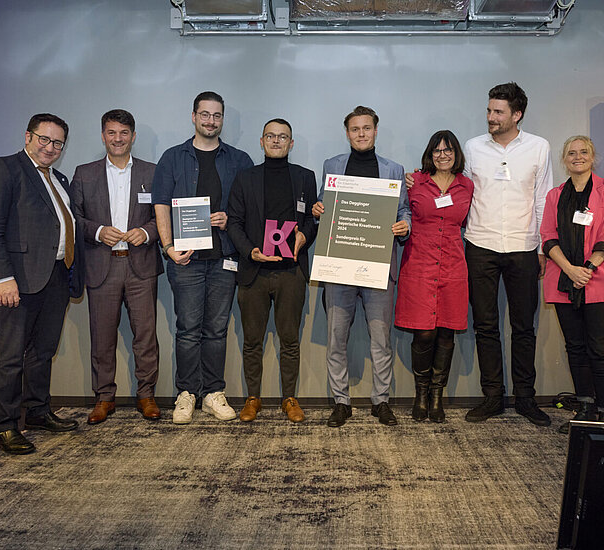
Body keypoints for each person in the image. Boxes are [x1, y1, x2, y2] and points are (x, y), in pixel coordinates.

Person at [0, 113, 82, 454]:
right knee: (10, 356)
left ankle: (37, 411)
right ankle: (5, 426)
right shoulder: (2, 169)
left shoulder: (60, 179)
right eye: (44, 139)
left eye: (57, 143)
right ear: (28, 136)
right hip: (17, 280)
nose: (50, 147)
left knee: (43, 351)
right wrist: (3, 278)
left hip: (54, 277)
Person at [152, 91, 254, 424]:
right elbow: (161, 205)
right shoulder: (172, 157)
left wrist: (230, 219)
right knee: (187, 330)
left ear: (222, 119)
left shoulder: (239, 160)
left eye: (217, 115)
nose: (211, 121)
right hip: (185, 260)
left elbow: (249, 208)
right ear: (193, 116)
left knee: (216, 330)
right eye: (205, 114)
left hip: (224, 257)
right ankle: (186, 393)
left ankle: (213, 392)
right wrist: (168, 247)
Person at [312, 106, 411, 427]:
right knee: (336, 338)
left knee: (381, 340)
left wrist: (403, 226)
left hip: (379, 267)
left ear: (376, 131)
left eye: (367, 128)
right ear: (347, 133)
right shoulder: (332, 166)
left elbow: (405, 210)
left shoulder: (394, 170)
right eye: (355, 129)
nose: (361, 134)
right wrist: (317, 209)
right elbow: (323, 205)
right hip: (339, 267)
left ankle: (381, 401)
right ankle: (341, 402)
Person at [461, 82, 554, 426]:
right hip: (480, 244)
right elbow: (462, 193)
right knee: (485, 326)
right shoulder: (472, 147)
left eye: (498, 112)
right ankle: (492, 397)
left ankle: (526, 398)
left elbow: (543, 197)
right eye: (489, 110)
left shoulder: (539, 147)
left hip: (524, 246)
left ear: (517, 114)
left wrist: (544, 245)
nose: (491, 117)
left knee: (523, 327)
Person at [70, 109, 163, 425]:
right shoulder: (84, 173)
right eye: (111, 132)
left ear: (133, 136)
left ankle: (146, 395)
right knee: (102, 337)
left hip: (141, 267)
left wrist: (147, 232)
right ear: (102, 135)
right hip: (102, 266)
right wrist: (97, 231)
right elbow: (74, 220)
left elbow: (161, 218)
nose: (118, 138)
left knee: (146, 337)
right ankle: (104, 397)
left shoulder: (153, 172)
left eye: (124, 133)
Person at [539, 136, 604, 433]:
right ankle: (585, 409)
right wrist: (570, 270)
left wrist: (588, 268)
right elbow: (547, 235)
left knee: (601, 348)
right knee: (576, 348)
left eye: (584, 152)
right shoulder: (555, 195)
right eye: (571, 153)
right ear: (564, 160)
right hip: (564, 278)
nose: (577, 157)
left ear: (593, 158)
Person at [227, 119, 318, 423]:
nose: (277, 141)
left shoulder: (305, 177)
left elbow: (310, 222)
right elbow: (234, 223)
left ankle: (289, 398)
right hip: (254, 271)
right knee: (252, 341)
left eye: (283, 137)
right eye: (271, 136)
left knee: (289, 340)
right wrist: (249, 250)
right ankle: (253, 398)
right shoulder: (245, 178)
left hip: (291, 272)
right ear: (261, 141)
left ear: (291, 143)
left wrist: (305, 237)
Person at [395, 131, 473, 423]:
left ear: (456, 154)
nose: (443, 155)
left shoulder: (467, 186)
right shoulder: (414, 183)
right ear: (430, 153)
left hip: (453, 265)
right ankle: (421, 394)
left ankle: (437, 397)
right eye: (437, 150)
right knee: (424, 332)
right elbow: (399, 212)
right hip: (418, 263)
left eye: (448, 150)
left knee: (446, 332)